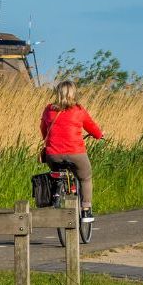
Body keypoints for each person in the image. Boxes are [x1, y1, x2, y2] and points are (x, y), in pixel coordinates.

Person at [40, 80, 103, 223]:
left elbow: (43, 129)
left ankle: (57, 193)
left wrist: (47, 137)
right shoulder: (79, 110)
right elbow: (93, 128)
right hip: (76, 153)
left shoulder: (49, 109)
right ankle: (86, 210)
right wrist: (99, 135)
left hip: (53, 155)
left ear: (58, 93)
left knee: (56, 175)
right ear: (73, 93)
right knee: (85, 177)